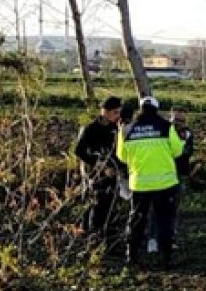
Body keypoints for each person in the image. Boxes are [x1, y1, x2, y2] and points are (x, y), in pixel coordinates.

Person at [116, 96, 185, 267]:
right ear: (156, 108)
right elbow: (177, 151)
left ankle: (131, 257)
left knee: (136, 220)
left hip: (139, 184)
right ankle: (166, 258)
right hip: (165, 183)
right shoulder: (165, 127)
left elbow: (121, 156)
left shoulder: (126, 129)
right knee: (164, 221)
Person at [73, 96, 124, 238]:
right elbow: (79, 151)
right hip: (96, 174)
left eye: (119, 112)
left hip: (114, 172)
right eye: (115, 112)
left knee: (112, 205)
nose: (117, 116)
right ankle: (93, 235)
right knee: (96, 205)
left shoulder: (116, 128)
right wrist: (99, 166)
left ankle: (109, 235)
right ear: (105, 112)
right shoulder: (91, 129)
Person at [149, 108, 194, 252]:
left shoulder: (186, 134)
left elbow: (184, 153)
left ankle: (169, 239)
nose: (178, 124)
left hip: (177, 176)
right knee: (155, 209)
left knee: (172, 210)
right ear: (170, 119)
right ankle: (152, 239)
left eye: (181, 121)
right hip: (161, 175)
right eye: (175, 120)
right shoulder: (163, 132)